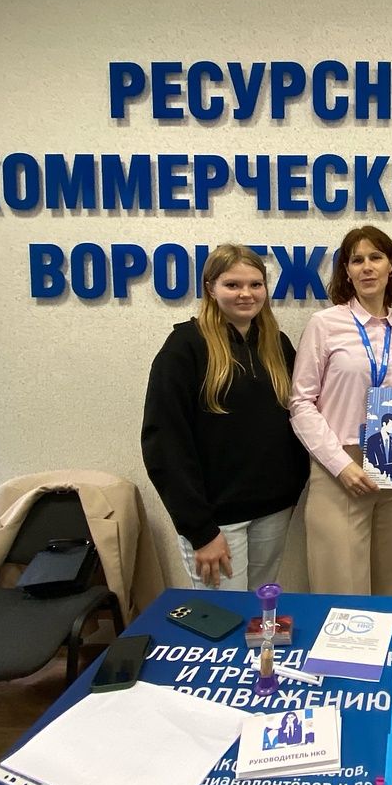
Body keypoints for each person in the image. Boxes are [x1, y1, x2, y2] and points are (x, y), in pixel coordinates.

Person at [142, 244, 308, 590]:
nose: (246, 294)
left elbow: (299, 415)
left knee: (259, 612)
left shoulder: (277, 344)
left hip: (273, 511)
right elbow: (165, 443)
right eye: (233, 285)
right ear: (210, 288)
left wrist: (294, 485)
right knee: (224, 617)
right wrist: (200, 530)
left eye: (255, 284)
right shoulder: (184, 347)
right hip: (216, 521)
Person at [290, 226, 392, 595]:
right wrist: (340, 465)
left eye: (376, 257)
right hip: (340, 465)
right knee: (342, 586)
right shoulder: (326, 324)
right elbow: (300, 403)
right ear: (346, 271)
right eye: (357, 260)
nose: (367, 267)